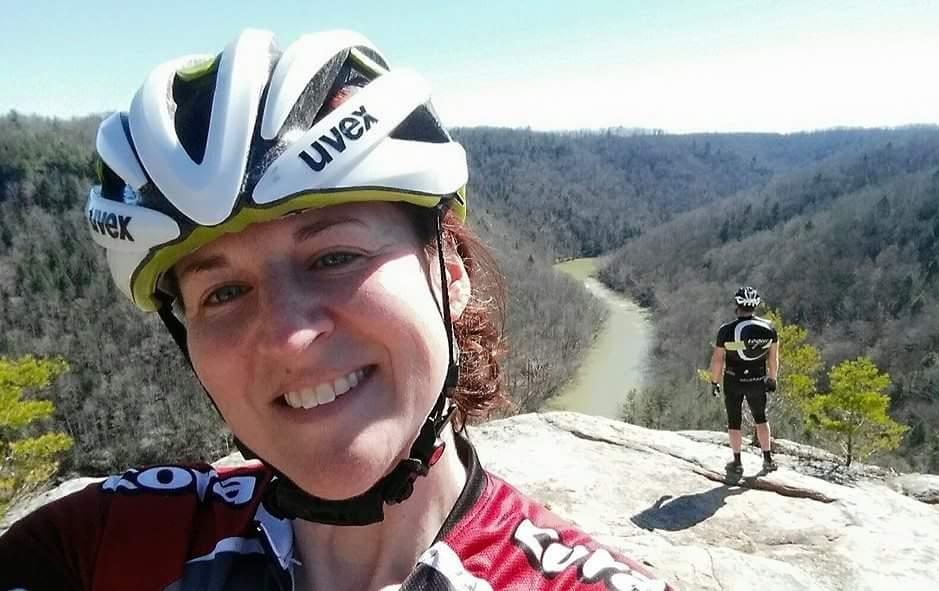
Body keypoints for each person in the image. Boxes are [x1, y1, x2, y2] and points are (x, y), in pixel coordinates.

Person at [0, 30, 672, 591]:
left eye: (335, 257)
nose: (291, 336)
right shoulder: (107, 541)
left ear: (451, 272)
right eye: (223, 293)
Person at [709, 286, 779, 474]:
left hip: (733, 380)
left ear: (737, 305)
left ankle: (737, 462)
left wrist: (714, 382)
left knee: (734, 422)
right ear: (755, 306)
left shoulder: (726, 331)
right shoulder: (769, 329)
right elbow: (773, 359)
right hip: (757, 379)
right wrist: (772, 379)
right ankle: (767, 459)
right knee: (761, 418)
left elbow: (717, 360)